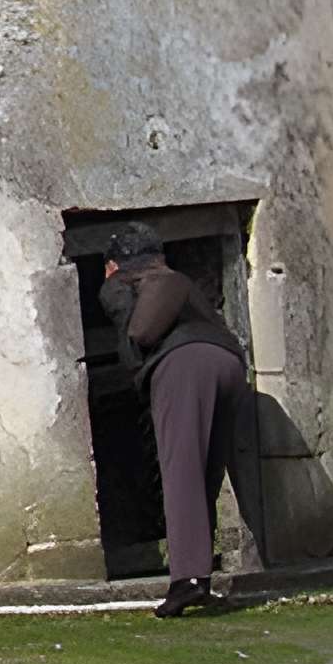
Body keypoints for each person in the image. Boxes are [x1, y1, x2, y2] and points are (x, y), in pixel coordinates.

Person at [101, 243, 247, 616]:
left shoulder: (144, 281)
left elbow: (140, 333)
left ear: (114, 264)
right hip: (228, 364)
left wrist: (113, 286)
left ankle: (186, 580)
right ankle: (200, 577)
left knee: (181, 472)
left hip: (183, 367)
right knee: (206, 474)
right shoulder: (183, 287)